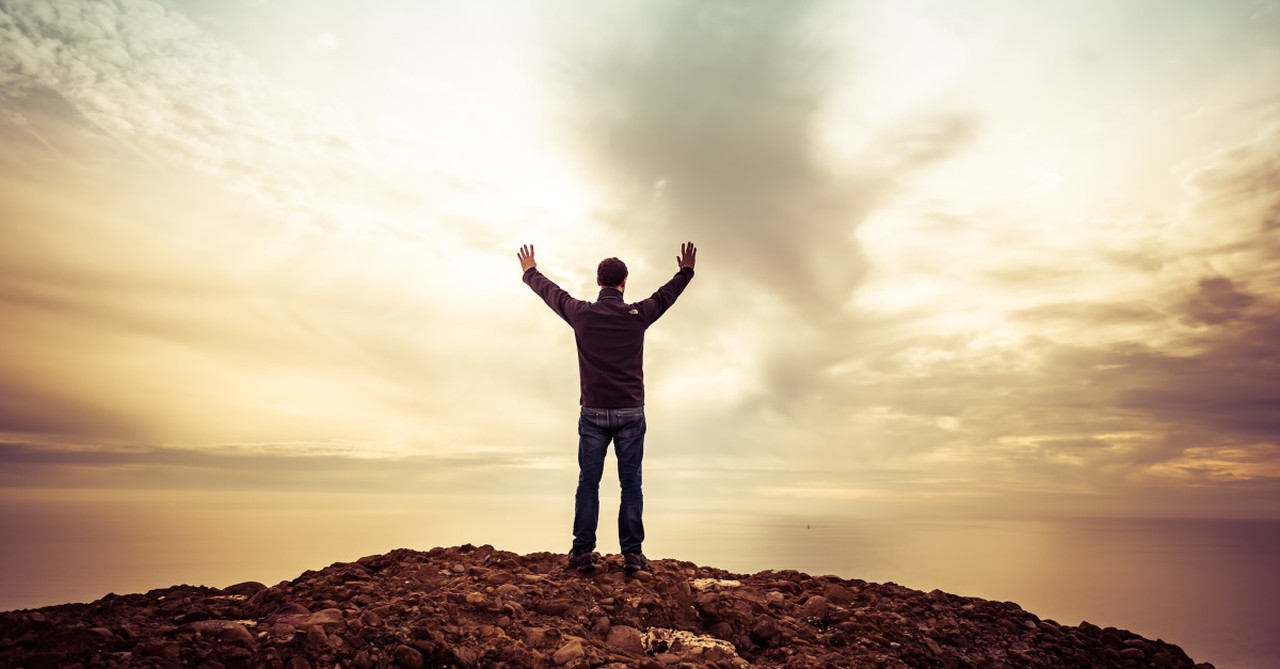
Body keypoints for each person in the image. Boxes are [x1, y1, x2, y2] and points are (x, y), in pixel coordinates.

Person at [518, 242, 697, 574]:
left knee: (589, 482)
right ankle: (632, 556)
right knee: (630, 484)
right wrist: (685, 271)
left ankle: (582, 553)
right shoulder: (637, 315)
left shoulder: (581, 314)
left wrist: (530, 271)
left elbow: (552, 293)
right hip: (630, 413)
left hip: (593, 414)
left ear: (598, 282)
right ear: (623, 282)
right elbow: (664, 296)